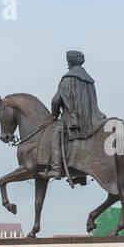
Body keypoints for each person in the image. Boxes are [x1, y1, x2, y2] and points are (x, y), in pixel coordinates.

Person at [43, 49, 107, 182]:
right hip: (92, 119)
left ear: (69, 62)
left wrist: (54, 114)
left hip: (73, 119)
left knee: (55, 137)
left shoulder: (68, 79)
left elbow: (56, 101)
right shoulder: (89, 80)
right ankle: (81, 175)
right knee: (81, 142)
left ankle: (56, 168)